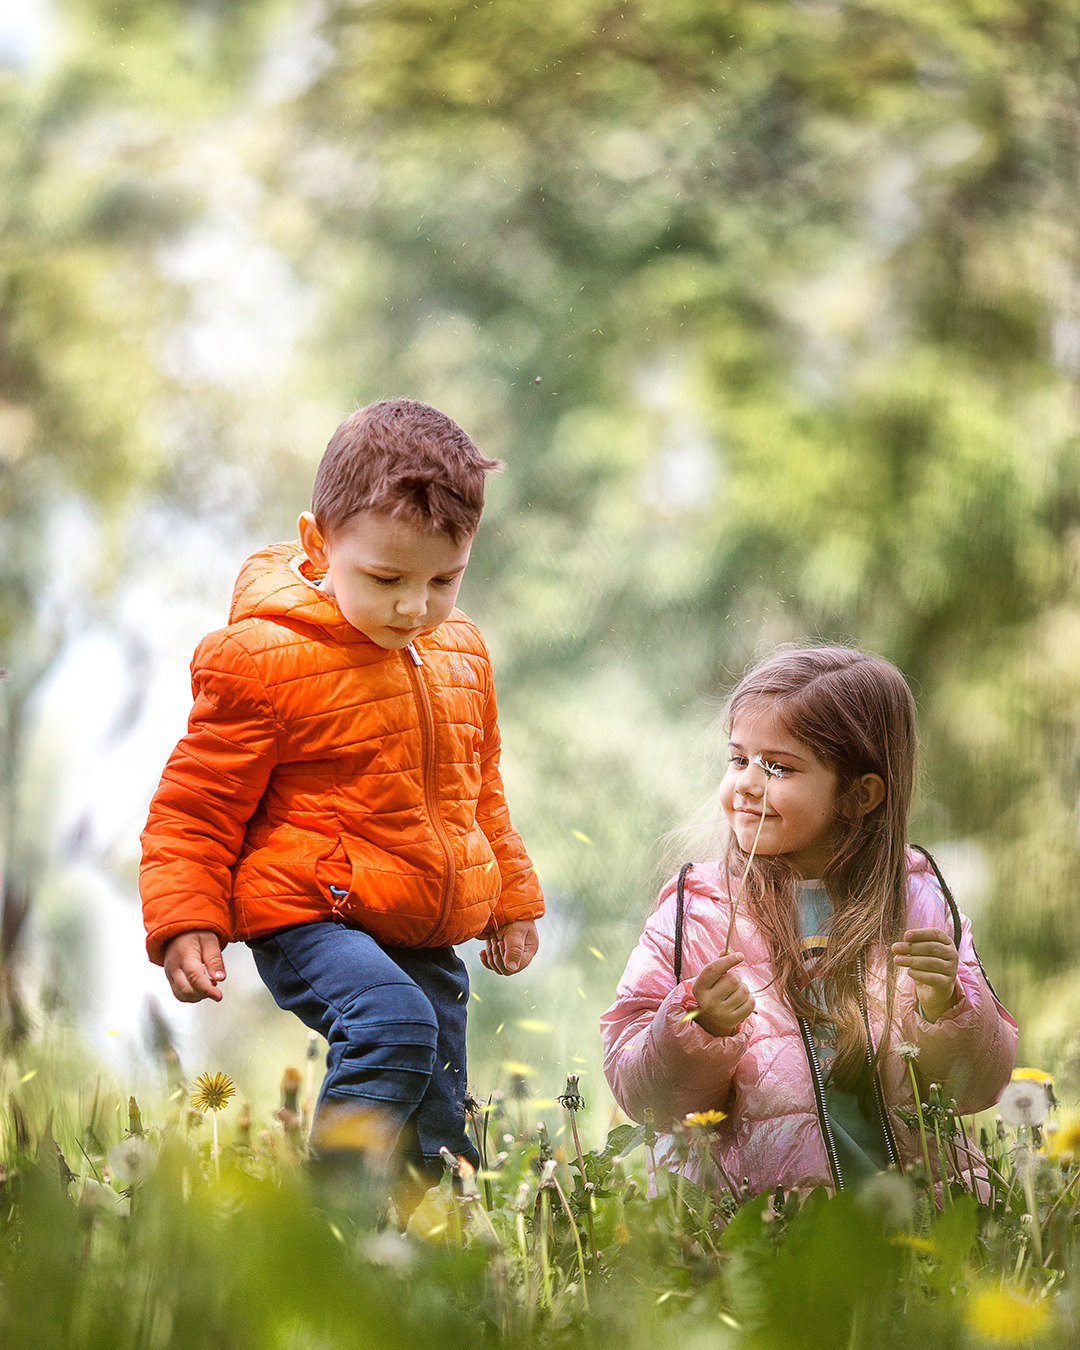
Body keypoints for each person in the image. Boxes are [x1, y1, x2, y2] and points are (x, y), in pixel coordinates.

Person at [141, 398, 543, 1209]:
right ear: (319, 543)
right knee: (392, 1024)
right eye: (387, 579)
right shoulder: (260, 658)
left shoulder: (459, 650)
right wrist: (187, 917)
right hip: (306, 910)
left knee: (436, 1104)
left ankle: (433, 1261)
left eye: (443, 579)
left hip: (417, 914)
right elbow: (197, 802)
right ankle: (325, 1229)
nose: (414, 606)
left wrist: (512, 897)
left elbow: (479, 788)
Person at [600, 644, 1016, 1197]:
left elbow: (979, 1084)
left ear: (858, 795)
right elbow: (642, 1093)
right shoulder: (701, 908)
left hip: (913, 1225)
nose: (747, 783)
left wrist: (946, 1008)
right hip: (759, 1232)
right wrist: (699, 1027)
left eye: (779, 767)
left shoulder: (917, 902)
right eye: (738, 759)